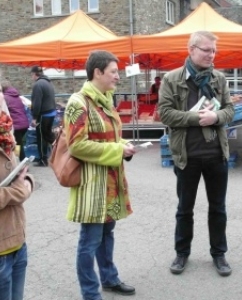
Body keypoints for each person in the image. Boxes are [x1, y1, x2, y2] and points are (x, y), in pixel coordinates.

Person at [158, 31, 234, 276]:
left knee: (218, 208)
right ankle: (182, 253)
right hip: (186, 156)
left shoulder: (219, 79)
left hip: (215, 154)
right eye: (206, 50)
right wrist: (196, 118)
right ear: (191, 49)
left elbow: (230, 110)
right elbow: (166, 114)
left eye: (213, 50)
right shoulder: (171, 79)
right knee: (184, 209)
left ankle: (219, 254)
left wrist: (216, 117)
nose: (211, 55)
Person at [64, 50, 136, 300]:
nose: (118, 76)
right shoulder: (79, 102)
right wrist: (117, 149)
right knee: (89, 241)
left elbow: (108, 137)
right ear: (98, 72)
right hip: (92, 186)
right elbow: (76, 145)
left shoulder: (105, 99)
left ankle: (109, 278)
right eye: (114, 71)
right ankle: (90, 293)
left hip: (111, 183)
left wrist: (123, 147)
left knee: (107, 234)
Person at [0, 84, 34, 300]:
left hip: (17, 241)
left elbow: (18, 171)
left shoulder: (5, 135)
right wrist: (20, 192)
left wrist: (27, 178)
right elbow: (18, 190)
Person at [30, 66, 56, 166]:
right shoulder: (48, 82)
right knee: (48, 136)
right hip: (51, 113)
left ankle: (43, 160)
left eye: (31, 75)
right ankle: (57, 154)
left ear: (34, 74)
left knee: (41, 138)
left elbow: (37, 102)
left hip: (43, 114)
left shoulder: (38, 84)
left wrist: (34, 117)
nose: (31, 77)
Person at [1, 80, 29, 161]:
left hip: (16, 125)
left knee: (17, 145)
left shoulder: (5, 98)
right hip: (24, 124)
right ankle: (19, 162)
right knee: (19, 144)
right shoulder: (16, 96)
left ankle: (22, 164)